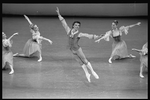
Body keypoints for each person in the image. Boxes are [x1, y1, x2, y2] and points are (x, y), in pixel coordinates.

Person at [56, 7, 102, 82]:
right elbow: (63, 22)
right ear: (73, 25)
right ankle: (87, 74)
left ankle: (93, 72)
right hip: (72, 50)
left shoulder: (79, 34)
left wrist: (98, 37)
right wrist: (58, 14)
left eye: (78, 25)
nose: (77, 26)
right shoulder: (68, 30)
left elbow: (89, 36)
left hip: (78, 49)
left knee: (85, 60)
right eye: (76, 25)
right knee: (80, 63)